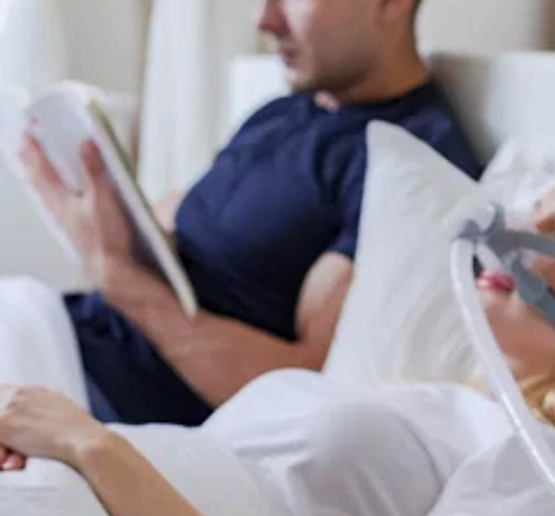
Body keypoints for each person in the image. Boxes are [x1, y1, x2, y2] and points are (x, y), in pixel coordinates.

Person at [0, 161, 555, 516]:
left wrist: (89, 445)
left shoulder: (538, 460)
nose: (523, 228)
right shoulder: (409, 397)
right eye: (536, 205)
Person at [16, 0, 482, 427]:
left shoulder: (407, 162)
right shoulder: (281, 111)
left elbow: (306, 383)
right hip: (66, 335)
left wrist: (118, 278)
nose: (265, 21)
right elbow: (177, 220)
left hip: (117, 399)